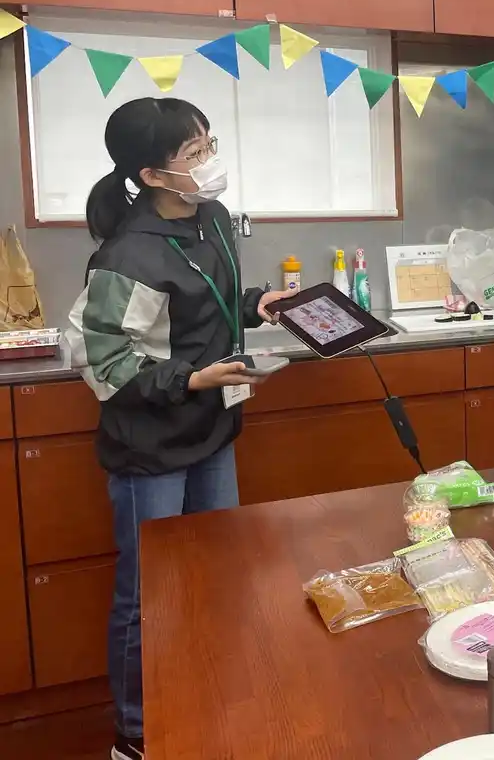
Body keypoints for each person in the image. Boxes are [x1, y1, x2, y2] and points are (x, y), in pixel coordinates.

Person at [63, 98, 292, 760]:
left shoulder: (210, 217)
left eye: (209, 143)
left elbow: (203, 309)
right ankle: (134, 733)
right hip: (151, 449)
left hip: (212, 434)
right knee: (147, 597)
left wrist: (255, 304)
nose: (211, 161)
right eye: (194, 153)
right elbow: (105, 362)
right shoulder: (127, 256)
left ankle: (201, 699)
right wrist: (191, 380)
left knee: (215, 574)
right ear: (152, 174)